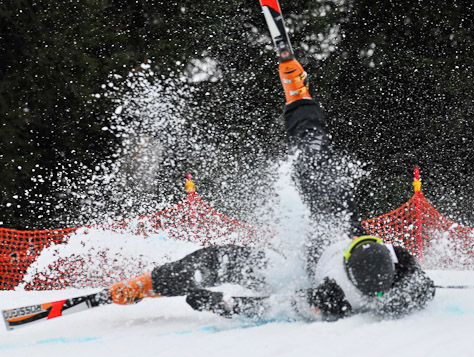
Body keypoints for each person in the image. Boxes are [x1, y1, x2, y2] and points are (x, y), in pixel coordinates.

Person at [107, 57, 435, 321]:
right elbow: (423, 289)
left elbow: (275, 305)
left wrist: (224, 304)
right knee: (313, 160)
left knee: (225, 260)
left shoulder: (335, 295)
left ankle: (151, 284)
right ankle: (299, 95)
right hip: (337, 224)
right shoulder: (396, 259)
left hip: (304, 268)